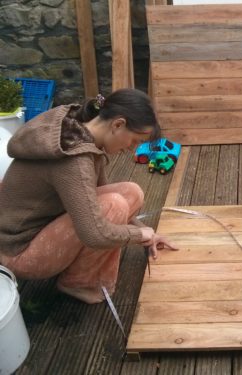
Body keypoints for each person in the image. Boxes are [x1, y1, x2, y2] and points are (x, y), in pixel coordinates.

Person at [0, 88, 177, 304]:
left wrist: (144, 231)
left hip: (46, 223)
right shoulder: (73, 158)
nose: (133, 148)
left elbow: (98, 200)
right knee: (114, 204)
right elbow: (94, 233)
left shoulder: (83, 131)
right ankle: (79, 284)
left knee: (130, 192)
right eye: (135, 140)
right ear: (118, 124)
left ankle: (82, 276)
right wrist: (139, 235)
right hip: (18, 252)